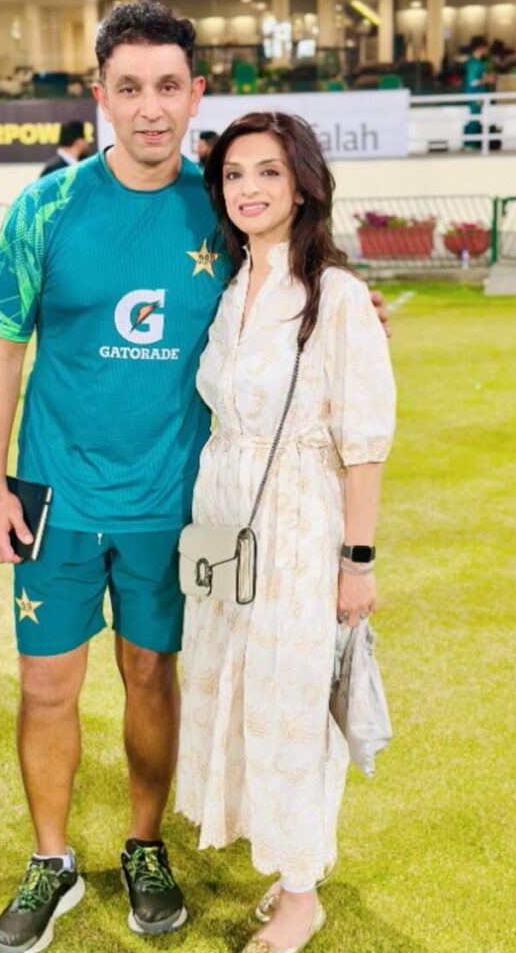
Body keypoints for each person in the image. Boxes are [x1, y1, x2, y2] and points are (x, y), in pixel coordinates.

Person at [0, 0, 390, 953]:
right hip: (53, 499)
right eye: (129, 88)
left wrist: (352, 306)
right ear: (101, 95)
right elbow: (0, 353)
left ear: (196, 92)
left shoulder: (220, 207)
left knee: (154, 678)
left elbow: (294, 283)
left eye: (168, 86)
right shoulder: (46, 207)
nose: (150, 107)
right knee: (46, 687)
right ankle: (50, 862)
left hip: (176, 509)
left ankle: (145, 846)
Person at [175, 112, 396, 953]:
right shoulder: (232, 288)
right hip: (224, 522)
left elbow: (363, 439)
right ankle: (273, 853)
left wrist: (357, 561)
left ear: (301, 184)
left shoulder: (335, 296)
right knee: (236, 694)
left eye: (268, 171)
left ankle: (302, 892)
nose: (249, 189)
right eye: (234, 174)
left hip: (300, 526)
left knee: (292, 703)